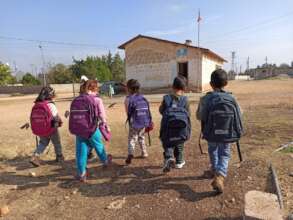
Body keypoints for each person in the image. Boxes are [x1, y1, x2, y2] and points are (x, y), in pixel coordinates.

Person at [196, 69, 243, 193]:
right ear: (226, 83)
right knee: (225, 153)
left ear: (211, 84)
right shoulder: (232, 98)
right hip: (227, 132)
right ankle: (220, 174)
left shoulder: (205, 99)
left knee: (212, 150)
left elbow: (200, 116)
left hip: (211, 133)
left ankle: (215, 170)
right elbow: (240, 114)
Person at [69, 80, 112, 182]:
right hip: (92, 129)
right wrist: (105, 125)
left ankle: (82, 173)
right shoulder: (97, 99)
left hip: (79, 129)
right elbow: (102, 115)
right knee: (98, 145)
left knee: (81, 151)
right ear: (94, 88)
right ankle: (105, 161)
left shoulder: (77, 99)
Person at [159, 76, 191, 173]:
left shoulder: (166, 98)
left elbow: (161, 111)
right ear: (185, 88)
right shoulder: (185, 100)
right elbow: (188, 114)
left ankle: (168, 157)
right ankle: (179, 162)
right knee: (179, 143)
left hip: (168, 127)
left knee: (168, 142)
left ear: (173, 86)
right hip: (181, 129)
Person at [30, 86, 64, 167]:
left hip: (40, 128)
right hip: (51, 128)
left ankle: (35, 156)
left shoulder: (37, 104)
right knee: (57, 142)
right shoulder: (50, 104)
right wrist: (60, 122)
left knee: (43, 142)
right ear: (51, 95)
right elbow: (56, 116)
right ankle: (59, 156)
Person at [125, 79, 152, 165]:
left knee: (132, 139)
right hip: (143, 122)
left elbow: (128, 113)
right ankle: (144, 152)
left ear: (129, 89)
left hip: (134, 122)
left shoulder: (128, 99)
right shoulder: (143, 98)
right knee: (141, 137)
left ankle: (130, 153)